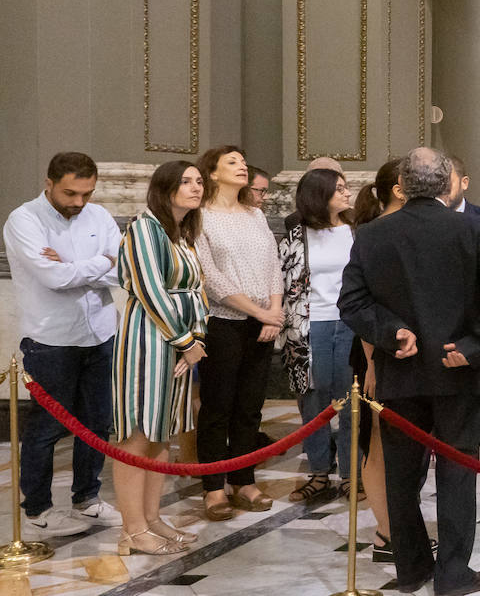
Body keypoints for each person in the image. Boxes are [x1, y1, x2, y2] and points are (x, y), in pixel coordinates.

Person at [339, 147, 480, 596]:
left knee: (402, 476)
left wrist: (392, 333)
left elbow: (352, 303)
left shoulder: (372, 235)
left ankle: (412, 569)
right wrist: (476, 343)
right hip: (457, 370)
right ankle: (453, 574)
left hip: (400, 371)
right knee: (457, 472)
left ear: (403, 183)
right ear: (446, 184)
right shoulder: (474, 228)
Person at [2, 152, 123, 536]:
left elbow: (123, 269)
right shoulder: (24, 219)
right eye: (70, 193)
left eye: (86, 193)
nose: (78, 202)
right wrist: (98, 262)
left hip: (100, 332)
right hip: (50, 338)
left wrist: (75, 263)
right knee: (47, 428)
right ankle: (37, 507)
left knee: (97, 423)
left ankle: (87, 499)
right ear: (49, 182)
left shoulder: (100, 216)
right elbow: (52, 277)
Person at [110, 160, 207, 555]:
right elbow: (151, 290)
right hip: (147, 340)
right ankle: (132, 530)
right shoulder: (143, 228)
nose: (196, 187)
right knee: (137, 434)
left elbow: (197, 290)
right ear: (165, 188)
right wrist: (186, 341)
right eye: (186, 181)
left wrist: (197, 336)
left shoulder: (182, 233)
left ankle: (152, 519)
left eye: (199, 181)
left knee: (161, 432)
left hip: (180, 344)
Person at [194, 145, 283, 521]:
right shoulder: (201, 217)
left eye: (243, 161)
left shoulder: (255, 215)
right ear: (212, 173)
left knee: (250, 407)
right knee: (218, 407)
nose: (242, 167)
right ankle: (214, 488)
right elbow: (210, 277)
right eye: (232, 162)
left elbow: (273, 265)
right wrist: (258, 310)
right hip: (223, 323)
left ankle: (244, 480)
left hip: (263, 323)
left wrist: (273, 313)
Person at [280, 168, 358, 502]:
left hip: (349, 322)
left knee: (350, 399)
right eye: (339, 189)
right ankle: (318, 471)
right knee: (313, 400)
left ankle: (351, 474)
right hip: (308, 326)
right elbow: (285, 284)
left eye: (345, 188)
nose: (346, 193)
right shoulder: (296, 236)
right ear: (320, 195)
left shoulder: (357, 232)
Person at [350, 158, 407, 564]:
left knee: (397, 443)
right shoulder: (373, 235)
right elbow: (364, 305)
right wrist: (372, 362)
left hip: (398, 349)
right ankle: (387, 533)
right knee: (377, 443)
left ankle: (398, 528)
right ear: (400, 189)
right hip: (375, 351)